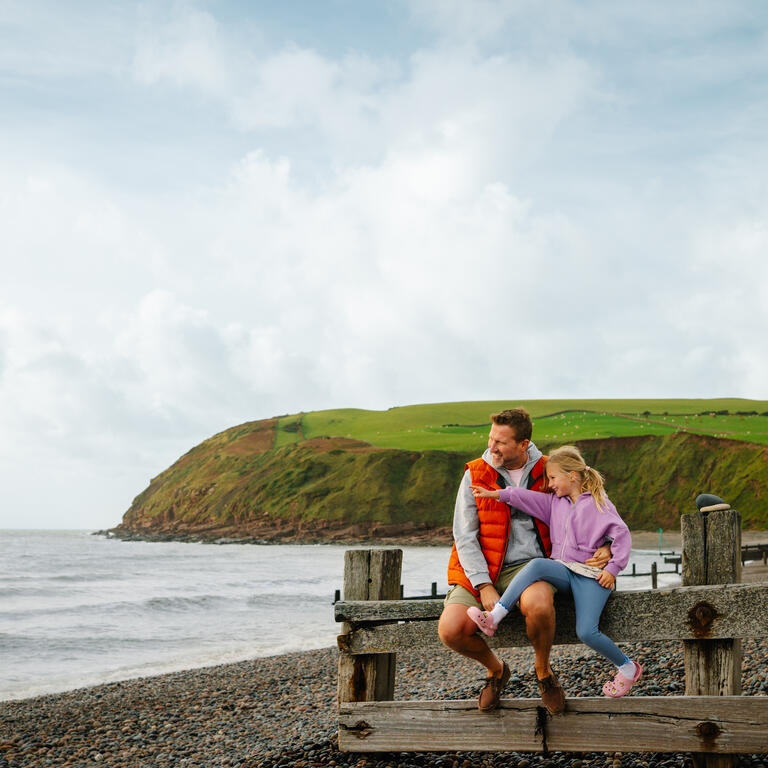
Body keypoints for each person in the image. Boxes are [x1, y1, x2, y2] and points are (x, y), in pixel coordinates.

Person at [437, 409, 612, 714]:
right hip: (483, 568)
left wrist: (608, 545)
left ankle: (543, 672)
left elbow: (592, 506)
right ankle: (496, 670)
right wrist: (484, 585)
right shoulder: (475, 473)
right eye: (491, 438)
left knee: (541, 606)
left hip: (534, 566)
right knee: (450, 630)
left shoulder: (551, 470)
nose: (492, 447)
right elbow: (463, 536)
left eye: (501, 442)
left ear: (523, 444)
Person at [468, 444, 643, 699]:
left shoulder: (600, 503)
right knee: (538, 564)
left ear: (572, 476)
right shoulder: (554, 503)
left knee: (586, 632)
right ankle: (495, 617)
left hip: (592, 577)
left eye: (552, 478)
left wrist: (614, 570)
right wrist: (496, 495)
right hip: (563, 570)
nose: (549, 484)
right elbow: (524, 497)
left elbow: (622, 535)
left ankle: (627, 668)